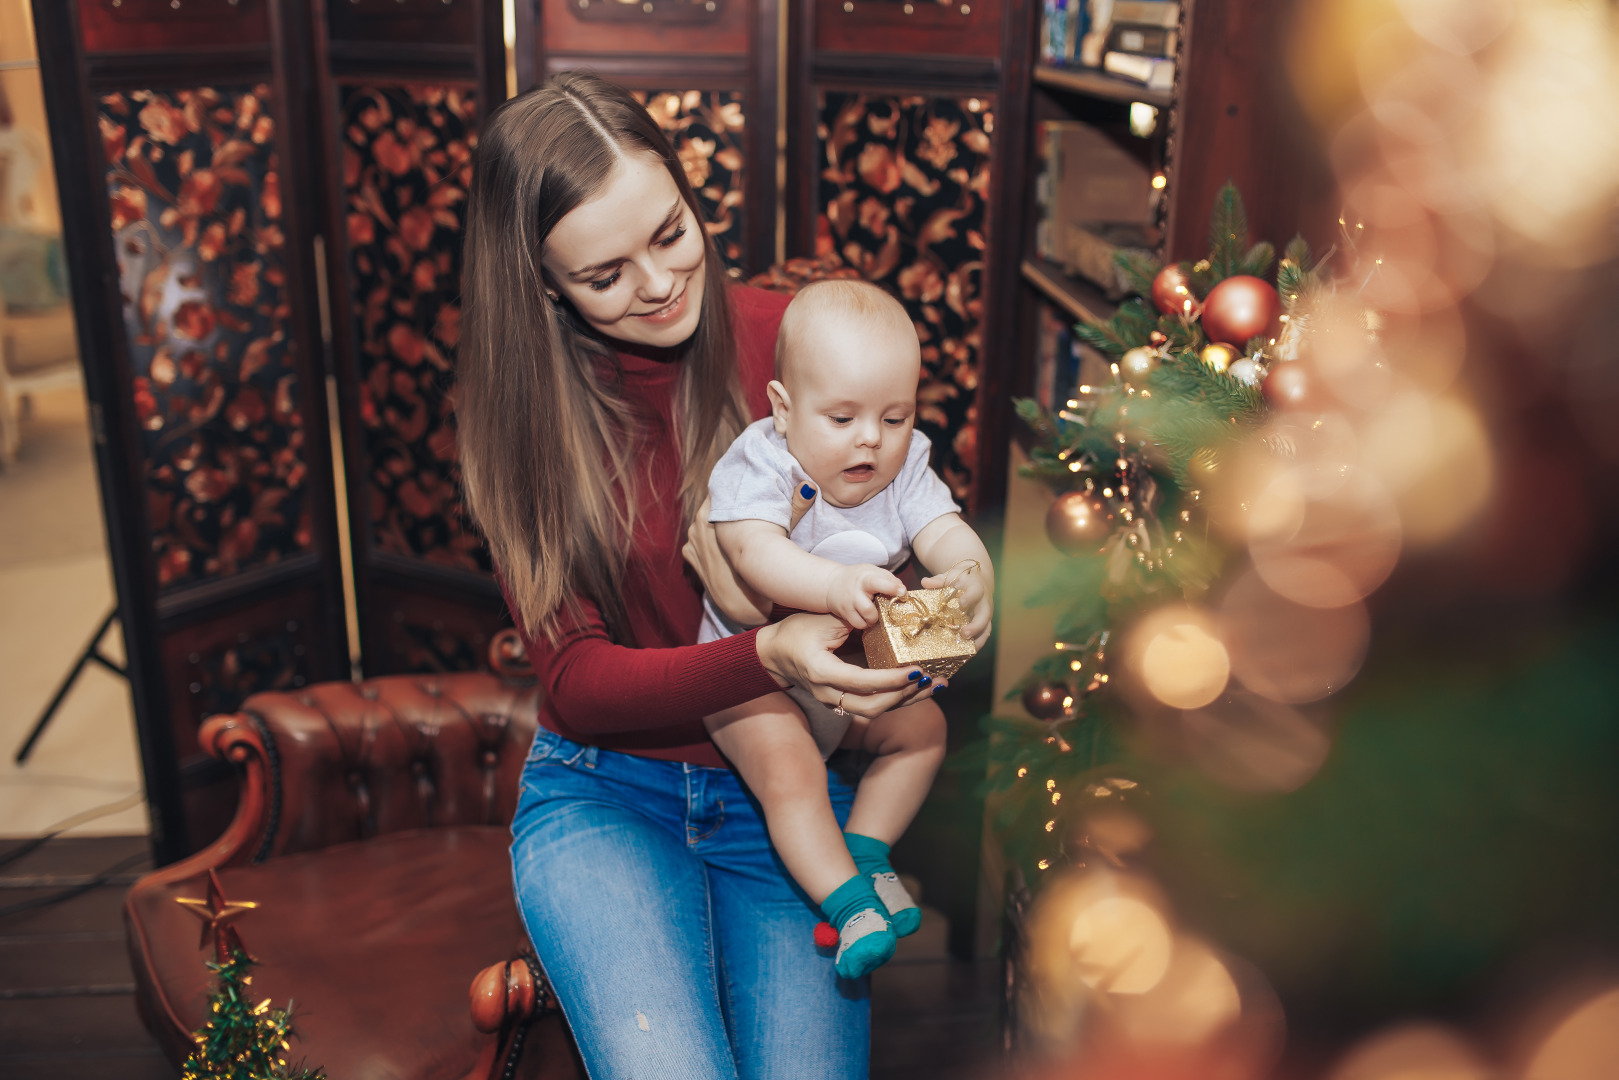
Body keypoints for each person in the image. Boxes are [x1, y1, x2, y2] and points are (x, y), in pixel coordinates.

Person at [455, 72, 938, 1079]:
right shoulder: (516, 421)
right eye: (604, 275)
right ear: (543, 282)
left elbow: (907, 525)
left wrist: (909, 637)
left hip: (786, 792)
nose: (661, 283)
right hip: (605, 794)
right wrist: (766, 650)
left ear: (686, 189)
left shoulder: (794, 339)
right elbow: (576, 683)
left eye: (670, 232)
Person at [699, 280, 994, 980]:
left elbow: (943, 528)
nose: (871, 438)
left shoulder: (904, 462)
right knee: (790, 769)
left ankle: (865, 847)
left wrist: (971, 571)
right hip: (751, 681)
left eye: (894, 417)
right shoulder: (763, 459)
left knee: (923, 733)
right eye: (842, 418)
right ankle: (846, 903)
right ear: (783, 409)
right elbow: (752, 551)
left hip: (842, 678)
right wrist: (831, 586)